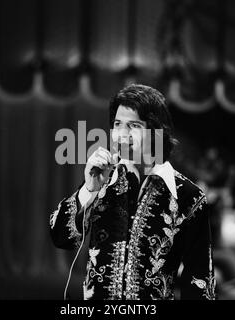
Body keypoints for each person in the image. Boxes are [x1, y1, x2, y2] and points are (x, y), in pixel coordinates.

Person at [50, 84, 216, 300]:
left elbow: (200, 282)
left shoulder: (188, 196)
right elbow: (61, 238)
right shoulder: (104, 179)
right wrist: (88, 189)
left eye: (133, 125)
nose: (121, 135)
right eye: (117, 124)